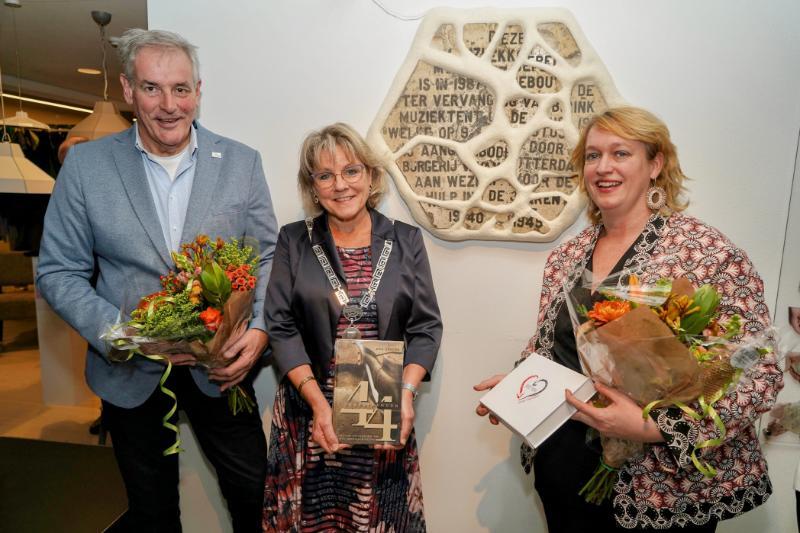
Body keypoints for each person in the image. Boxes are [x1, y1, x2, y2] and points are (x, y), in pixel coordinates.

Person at [474, 106, 783, 531]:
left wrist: (656, 427)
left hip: (661, 485)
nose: (603, 168)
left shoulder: (707, 252)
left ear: (656, 164)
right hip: (566, 471)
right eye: (592, 156)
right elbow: (556, 348)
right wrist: (521, 387)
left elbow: (758, 367)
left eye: (621, 154)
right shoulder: (567, 254)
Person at [36, 29, 277, 532]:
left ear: (198, 90)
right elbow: (59, 271)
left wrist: (256, 333)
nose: (169, 105)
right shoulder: (85, 167)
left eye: (181, 89)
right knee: (152, 511)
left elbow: (268, 256)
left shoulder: (241, 162)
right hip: (128, 377)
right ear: (128, 90)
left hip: (222, 372)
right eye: (152, 88)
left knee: (255, 494)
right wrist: (125, 336)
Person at [263, 123, 442, 531]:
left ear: (371, 176)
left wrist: (407, 393)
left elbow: (427, 327)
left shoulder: (406, 239)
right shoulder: (293, 240)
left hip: (382, 411)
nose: (340, 185)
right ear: (313, 187)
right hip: (310, 415)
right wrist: (318, 403)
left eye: (351, 171)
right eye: (325, 175)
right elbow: (280, 325)